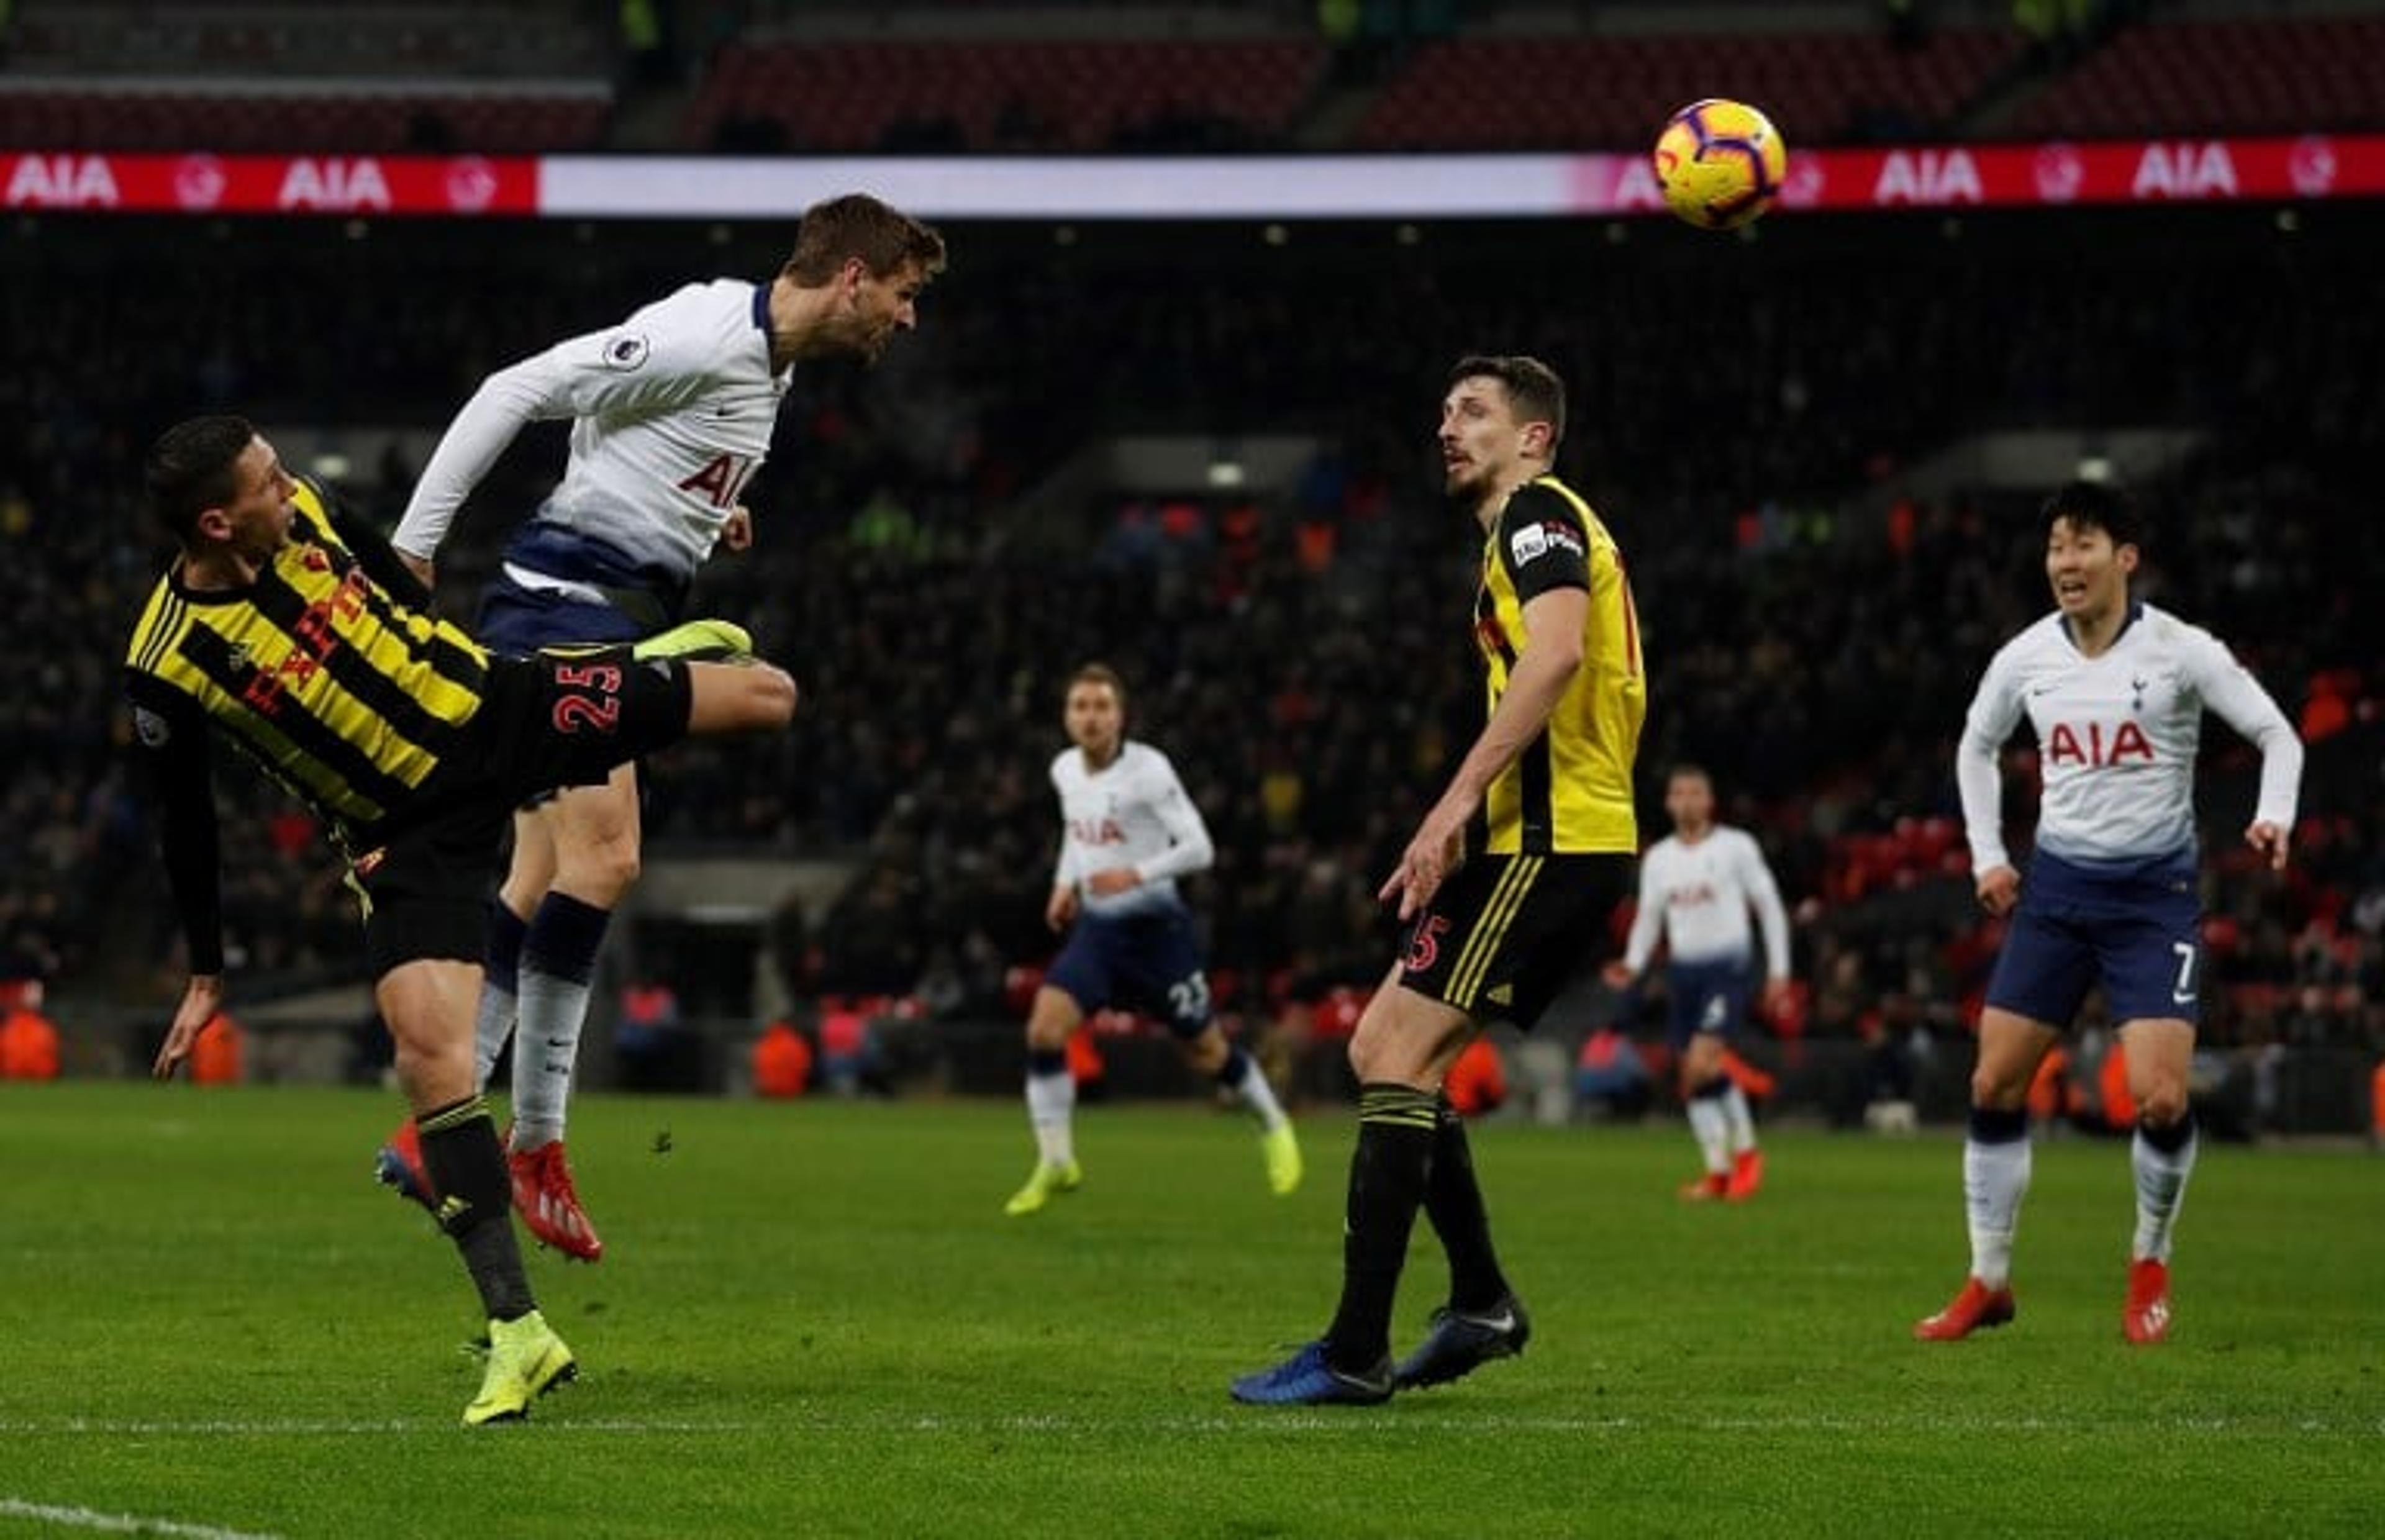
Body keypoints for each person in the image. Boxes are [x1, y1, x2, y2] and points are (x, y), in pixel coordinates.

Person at [126, 415, 796, 1423]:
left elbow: (404, 588)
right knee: (431, 1059)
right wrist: (207, 973)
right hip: (403, 836)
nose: (292, 482)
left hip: (496, 712)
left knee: (769, 697)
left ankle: (634, 652)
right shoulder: (167, 663)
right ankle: (521, 1334)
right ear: (218, 522)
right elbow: (186, 819)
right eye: (268, 480)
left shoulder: (306, 512)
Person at [379, 192, 945, 1261]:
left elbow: (613, 423)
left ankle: (453, 1131)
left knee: (542, 874)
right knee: (611, 857)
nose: (907, 322)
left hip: (610, 609)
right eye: (905, 297)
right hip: (565, 609)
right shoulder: (707, 334)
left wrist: (700, 506)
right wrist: (413, 548)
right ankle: (519, 1143)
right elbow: (523, 388)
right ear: (857, 277)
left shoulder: (764, 364)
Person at [1232, 355, 1643, 1405]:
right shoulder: (1530, 528)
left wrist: (1457, 802)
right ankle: (1478, 1302)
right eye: (1443, 411)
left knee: (1398, 1052)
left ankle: (1359, 1352)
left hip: (1554, 840)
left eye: (1473, 412)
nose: (1447, 428)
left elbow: (1554, 658)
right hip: (1532, 836)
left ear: (1535, 437)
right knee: (1389, 1050)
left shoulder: (1537, 513)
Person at [1915, 481, 2302, 1346]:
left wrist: (2274, 813)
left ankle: (2150, 1261)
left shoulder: (2182, 651)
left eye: (2083, 545)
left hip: (2150, 903)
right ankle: (1990, 1279)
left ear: (2125, 557)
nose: (2065, 563)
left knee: (2161, 1099)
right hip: (2055, 895)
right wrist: (1987, 855)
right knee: (1992, 1084)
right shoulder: (2026, 657)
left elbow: (2281, 734)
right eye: (2056, 547)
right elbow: (1977, 744)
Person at [1004, 663, 1301, 1216]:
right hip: (1098, 933)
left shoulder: (1149, 771)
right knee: (1045, 1029)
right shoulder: (1065, 769)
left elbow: (1199, 847)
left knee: (1207, 1052)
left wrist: (1135, 874)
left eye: (1101, 707)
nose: (1090, 718)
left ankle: (1273, 1123)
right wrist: (1063, 884)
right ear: (1067, 717)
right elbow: (1076, 834)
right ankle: (1056, 1161)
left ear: (1121, 715)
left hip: (1157, 933)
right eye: (1080, 707)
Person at [1602, 764, 1791, 1202]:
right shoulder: (1659, 858)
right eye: (1679, 793)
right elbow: (1650, 917)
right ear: (1669, 803)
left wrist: (1779, 970)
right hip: (1683, 972)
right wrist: (1633, 963)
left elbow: (1769, 906)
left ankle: (1746, 1155)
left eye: (1695, 793)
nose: (1687, 800)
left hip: (1728, 968)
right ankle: (1718, 1171)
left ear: (1709, 801)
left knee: (1704, 1063)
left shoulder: (1736, 847)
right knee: (1692, 1075)